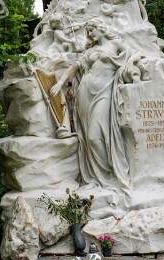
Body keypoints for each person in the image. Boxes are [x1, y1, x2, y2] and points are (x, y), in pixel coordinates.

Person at [50, 18, 148, 208]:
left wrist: (130, 64)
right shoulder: (89, 51)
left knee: (96, 136)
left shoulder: (116, 44)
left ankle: (109, 177)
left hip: (104, 93)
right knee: (87, 136)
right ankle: (94, 179)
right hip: (84, 94)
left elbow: (138, 53)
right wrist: (61, 83)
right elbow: (75, 67)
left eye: (91, 30)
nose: (89, 35)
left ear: (100, 28)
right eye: (88, 31)